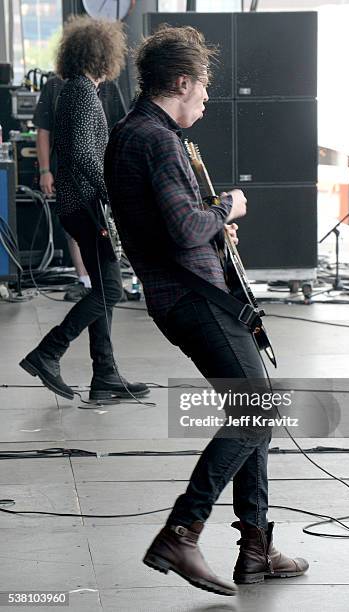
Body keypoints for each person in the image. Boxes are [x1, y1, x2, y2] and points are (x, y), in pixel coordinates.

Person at [104, 25, 308, 596]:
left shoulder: (134, 132)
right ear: (184, 81)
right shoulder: (157, 139)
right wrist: (225, 210)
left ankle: (257, 549)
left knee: (256, 413)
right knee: (256, 410)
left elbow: (171, 227)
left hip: (183, 294)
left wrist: (213, 234)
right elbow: (185, 226)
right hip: (194, 298)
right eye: (204, 88)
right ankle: (182, 530)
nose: (208, 99)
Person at [20, 16, 148, 403]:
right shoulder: (81, 92)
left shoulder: (77, 90)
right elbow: (78, 153)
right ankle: (49, 352)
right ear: (103, 55)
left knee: (104, 286)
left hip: (82, 203)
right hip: (86, 205)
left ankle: (105, 374)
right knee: (111, 288)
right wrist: (112, 191)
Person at [34, 74, 126, 302]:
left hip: (84, 191)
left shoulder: (91, 88)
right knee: (109, 289)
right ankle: (58, 336)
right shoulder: (76, 90)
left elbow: (118, 128)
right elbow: (49, 135)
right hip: (83, 193)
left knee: (104, 287)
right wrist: (45, 171)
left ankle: (100, 338)